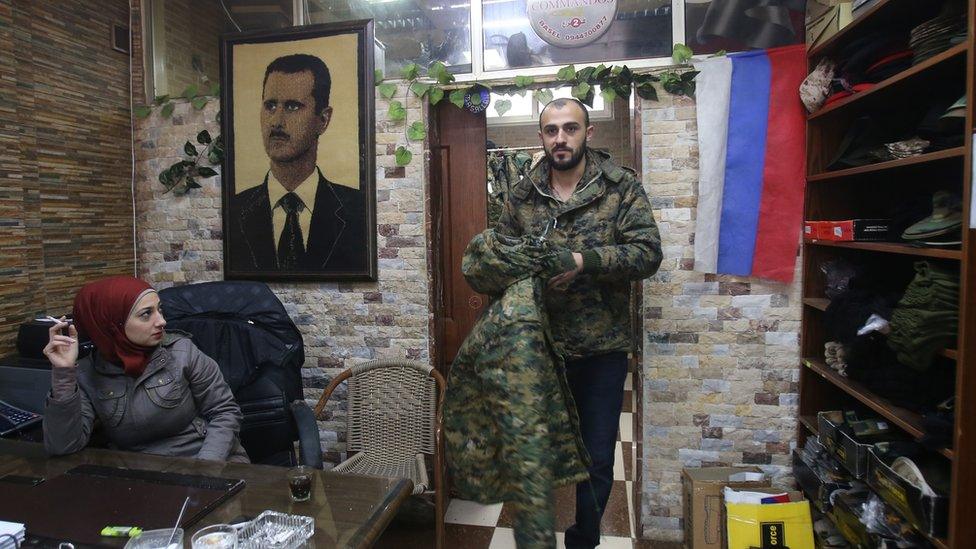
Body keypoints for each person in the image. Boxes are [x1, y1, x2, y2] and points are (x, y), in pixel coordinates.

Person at [495, 98, 662, 548]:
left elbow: (647, 254)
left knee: (597, 458)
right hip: (541, 349)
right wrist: (533, 283)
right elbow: (504, 262)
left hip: (601, 350)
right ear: (541, 137)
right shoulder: (523, 194)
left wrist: (583, 261)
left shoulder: (620, 187)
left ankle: (584, 538)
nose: (560, 138)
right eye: (551, 130)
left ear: (589, 133)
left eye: (570, 128)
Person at [42, 275, 249, 462]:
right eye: (146, 314)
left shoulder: (182, 352)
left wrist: (205, 469)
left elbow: (225, 412)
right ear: (111, 325)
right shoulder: (87, 373)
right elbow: (63, 446)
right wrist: (63, 374)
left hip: (204, 460)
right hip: (141, 477)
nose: (162, 321)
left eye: (160, 309)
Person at [229, 53, 366, 273]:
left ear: (323, 120)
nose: (276, 121)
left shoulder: (357, 210)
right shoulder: (235, 211)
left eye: (292, 107)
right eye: (270, 106)